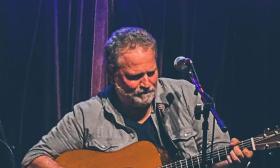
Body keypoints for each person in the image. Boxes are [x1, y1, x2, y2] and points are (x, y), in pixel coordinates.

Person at [22, 27, 253, 168]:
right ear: (113, 75)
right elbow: (33, 158)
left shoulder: (184, 94)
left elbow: (214, 156)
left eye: (151, 73)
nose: (146, 83)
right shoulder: (88, 114)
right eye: (134, 76)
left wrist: (233, 158)